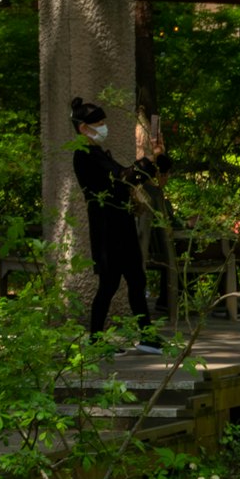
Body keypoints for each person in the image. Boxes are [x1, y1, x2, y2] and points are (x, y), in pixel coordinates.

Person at [70, 97, 161, 350]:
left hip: (122, 223)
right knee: (108, 285)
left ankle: (147, 336)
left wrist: (153, 159)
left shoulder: (98, 153)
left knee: (136, 279)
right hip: (107, 227)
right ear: (83, 128)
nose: (103, 127)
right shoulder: (84, 155)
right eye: (99, 123)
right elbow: (121, 178)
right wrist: (145, 160)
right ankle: (96, 339)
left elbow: (128, 178)